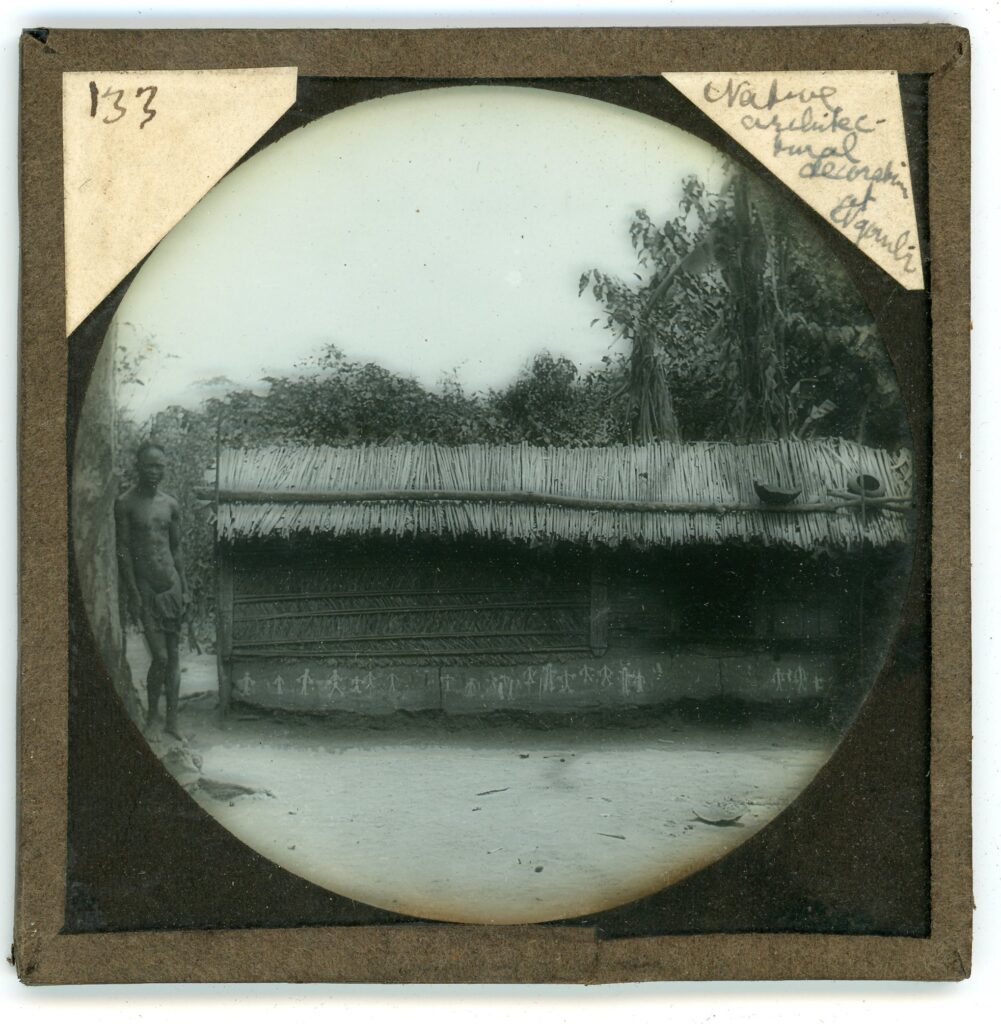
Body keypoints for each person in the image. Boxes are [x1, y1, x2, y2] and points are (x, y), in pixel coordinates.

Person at [115, 441, 188, 737]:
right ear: (138, 466)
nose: (155, 471)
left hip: (172, 588)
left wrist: (185, 589)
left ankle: (172, 722)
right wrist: (132, 592)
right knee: (160, 657)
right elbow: (122, 549)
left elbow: (176, 548)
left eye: (160, 466)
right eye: (150, 465)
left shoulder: (170, 504)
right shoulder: (125, 503)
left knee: (174, 659)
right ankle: (152, 714)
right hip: (146, 589)